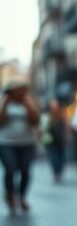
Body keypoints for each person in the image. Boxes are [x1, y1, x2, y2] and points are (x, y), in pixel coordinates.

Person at [0, 79, 40, 215]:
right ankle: (10, 196)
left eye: (23, 89)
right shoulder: (4, 102)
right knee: (10, 168)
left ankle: (22, 197)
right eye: (18, 89)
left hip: (26, 143)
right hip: (6, 142)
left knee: (25, 171)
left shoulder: (29, 102)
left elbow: (36, 121)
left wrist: (28, 106)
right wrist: (4, 105)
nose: (21, 91)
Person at [41, 99, 68, 183]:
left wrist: (67, 136)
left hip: (61, 140)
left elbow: (66, 126)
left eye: (56, 106)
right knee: (53, 157)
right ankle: (56, 173)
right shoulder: (47, 116)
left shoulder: (62, 116)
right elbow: (43, 128)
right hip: (50, 141)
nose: (54, 108)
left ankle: (59, 171)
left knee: (62, 157)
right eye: (53, 106)